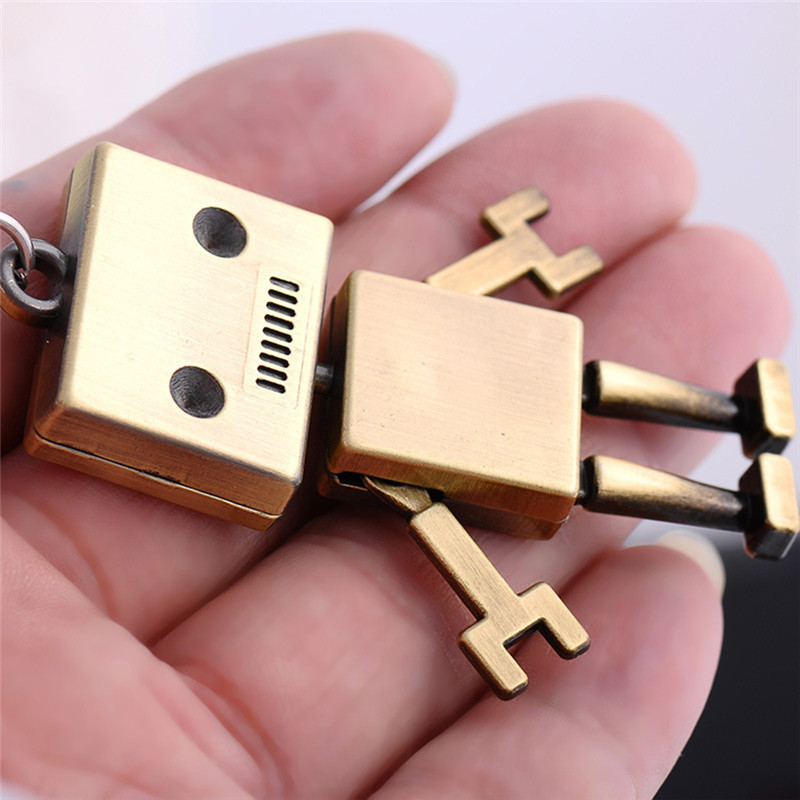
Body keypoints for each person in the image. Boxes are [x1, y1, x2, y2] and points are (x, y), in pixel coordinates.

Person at [1, 32, 789, 799]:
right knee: (577, 451)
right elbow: (448, 532)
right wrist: (503, 610)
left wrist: (505, 611)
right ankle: (741, 477)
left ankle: (741, 449)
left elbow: (447, 525)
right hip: (394, 411)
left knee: (577, 418)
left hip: (423, 364)